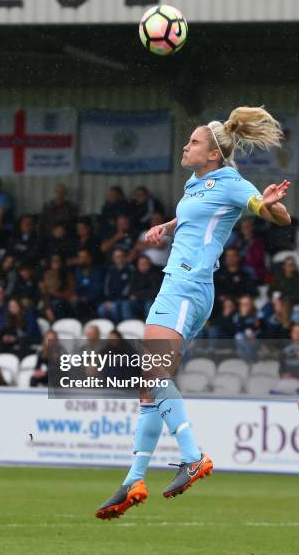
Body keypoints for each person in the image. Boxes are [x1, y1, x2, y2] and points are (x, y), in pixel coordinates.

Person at [97, 106, 292, 519]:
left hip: (188, 286)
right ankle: (134, 479)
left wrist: (270, 203)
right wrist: (166, 228)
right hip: (178, 284)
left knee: (153, 373)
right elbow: (192, 213)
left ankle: (192, 455)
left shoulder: (231, 182)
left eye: (195, 142)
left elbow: (278, 215)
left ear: (213, 155)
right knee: (149, 387)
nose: (186, 146)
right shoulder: (195, 181)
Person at [97, 248, 134, 323]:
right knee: (101, 309)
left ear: (125, 257)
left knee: (115, 307)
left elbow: (128, 287)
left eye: (120, 256)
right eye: (115, 256)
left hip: (124, 299)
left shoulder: (130, 270)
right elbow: (106, 287)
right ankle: (111, 328)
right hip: (111, 300)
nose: (118, 258)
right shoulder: (110, 270)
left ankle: (118, 327)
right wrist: (108, 300)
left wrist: (115, 300)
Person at [40, 254, 75, 322]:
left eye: (58, 261)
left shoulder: (67, 274)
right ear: (50, 263)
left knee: (70, 304)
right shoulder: (47, 275)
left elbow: (71, 288)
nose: (56, 263)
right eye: (54, 261)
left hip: (66, 298)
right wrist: (48, 308)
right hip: (51, 300)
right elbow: (45, 293)